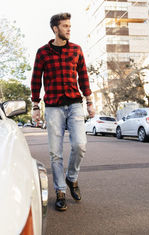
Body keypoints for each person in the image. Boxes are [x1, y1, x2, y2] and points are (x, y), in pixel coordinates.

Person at [30, 12, 95, 211]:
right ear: (55, 29)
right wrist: (35, 106)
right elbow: (36, 80)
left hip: (75, 104)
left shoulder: (76, 50)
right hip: (52, 107)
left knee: (80, 144)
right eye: (65, 26)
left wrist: (90, 101)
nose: (69, 29)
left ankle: (71, 178)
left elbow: (83, 76)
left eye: (69, 26)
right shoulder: (42, 52)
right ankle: (60, 191)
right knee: (55, 153)